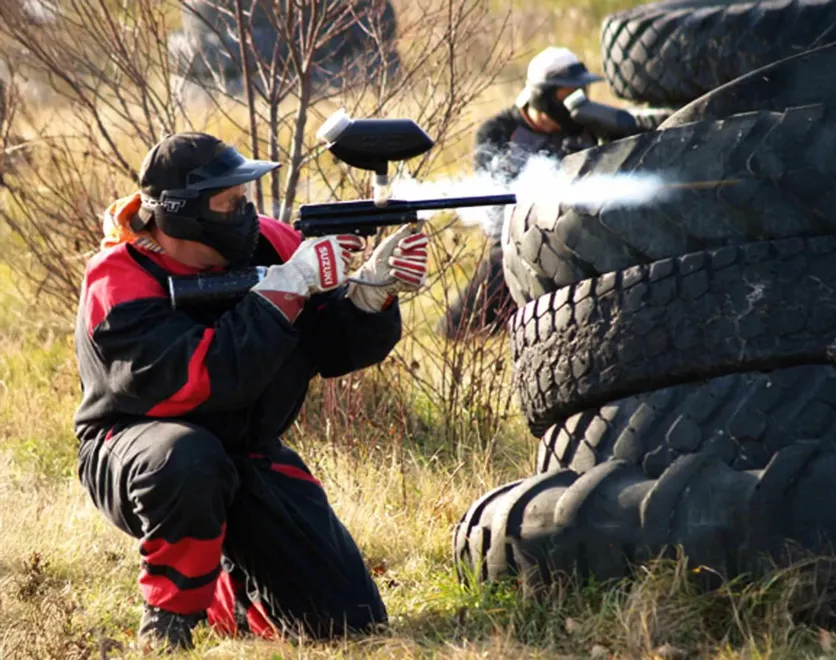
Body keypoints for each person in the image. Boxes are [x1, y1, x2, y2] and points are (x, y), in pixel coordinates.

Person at [73, 132, 429, 652]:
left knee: (350, 621)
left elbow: (328, 349)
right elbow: (200, 379)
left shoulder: (274, 243)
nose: (245, 212)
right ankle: (169, 619)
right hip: (136, 451)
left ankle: (229, 592)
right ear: (183, 213)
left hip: (247, 449)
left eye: (244, 197)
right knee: (188, 457)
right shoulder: (118, 280)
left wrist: (369, 297)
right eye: (229, 202)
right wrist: (283, 292)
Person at [440, 46, 615, 339]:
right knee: (457, 330)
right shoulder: (498, 132)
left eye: (581, 91)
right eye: (567, 94)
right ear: (543, 96)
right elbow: (497, 206)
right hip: (518, 242)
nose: (577, 101)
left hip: (582, 235)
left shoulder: (588, 128)